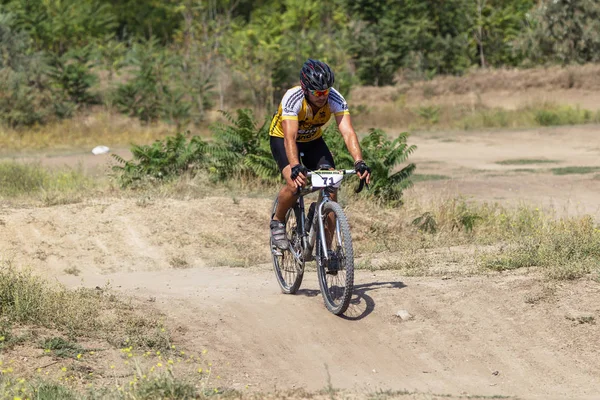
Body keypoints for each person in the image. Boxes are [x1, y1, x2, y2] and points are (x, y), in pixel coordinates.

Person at [269, 58, 371, 250]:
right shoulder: (293, 98)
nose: (323, 96)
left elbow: (348, 132)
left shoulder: (335, 98)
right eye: (317, 92)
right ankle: (278, 222)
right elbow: (290, 138)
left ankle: (328, 252)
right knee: (294, 185)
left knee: (331, 187)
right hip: (283, 140)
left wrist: (359, 161)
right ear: (305, 88)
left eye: (325, 91)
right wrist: (295, 166)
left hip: (313, 141)